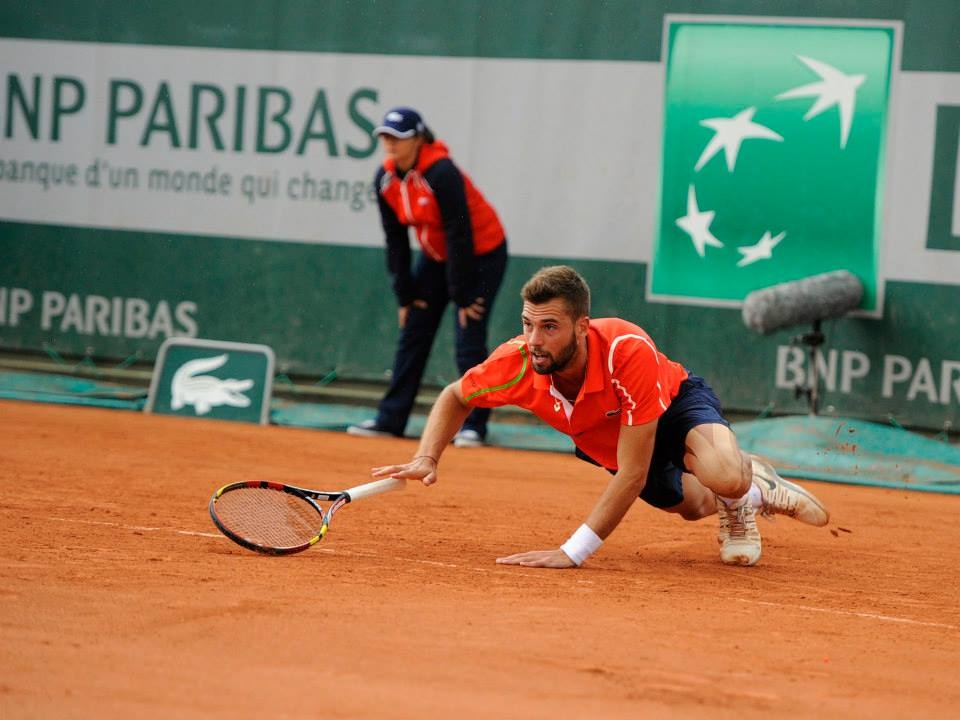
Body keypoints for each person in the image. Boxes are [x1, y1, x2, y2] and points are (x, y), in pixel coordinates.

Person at [370, 265, 829, 568]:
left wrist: (573, 552)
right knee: (693, 508)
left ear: (582, 327)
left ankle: (740, 488)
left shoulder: (625, 349)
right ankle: (758, 487)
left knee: (723, 474)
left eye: (549, 327)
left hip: (672, 406)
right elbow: (456, 395)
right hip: (609, 438)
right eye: (528, 324)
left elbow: (632, 473)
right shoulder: (517, 361)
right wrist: (428, 456)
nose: (533, 339)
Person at [348, 107, 508, 448]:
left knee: (468, 334)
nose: (389, 143)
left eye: (398, 137)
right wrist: (404, 295)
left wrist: (462, 294)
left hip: (481, 256)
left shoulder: (441, 172)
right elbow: (395, 240)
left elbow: (459, 232)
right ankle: (390, 419)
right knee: (413, 331)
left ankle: (473, 425)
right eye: (385, 137)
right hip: (436, 257)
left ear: (419, 139)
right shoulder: (385, 179)